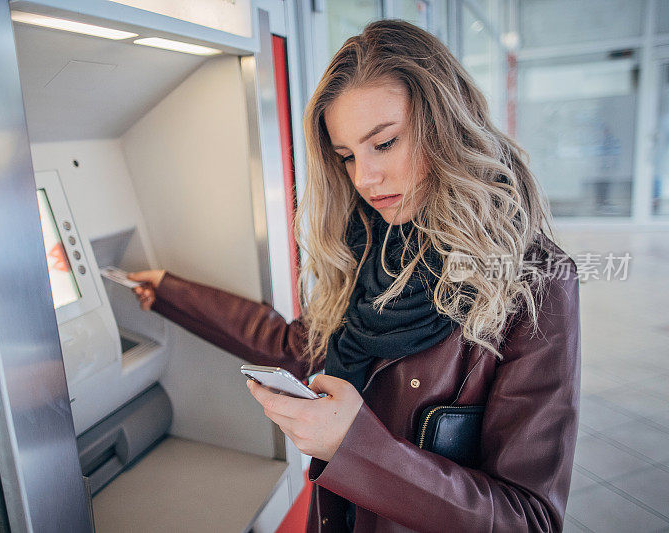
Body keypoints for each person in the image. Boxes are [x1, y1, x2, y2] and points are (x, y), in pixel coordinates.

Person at [128, 19, 580, 533]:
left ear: (448, 127)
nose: (365, 178)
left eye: (384, 144)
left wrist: (356, 448)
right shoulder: (372, 243)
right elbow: (297, 345)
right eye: (346, 156)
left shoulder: (536, 280)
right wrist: (167, 291)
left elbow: (530, 519)